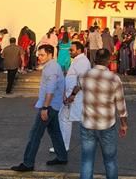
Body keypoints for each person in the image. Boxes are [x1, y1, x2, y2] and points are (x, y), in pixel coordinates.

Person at [11, 44, 67, 172]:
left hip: (49, 106)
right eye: (39, 55)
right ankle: (62, 156)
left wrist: (45, 108)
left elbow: (50, 90)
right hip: (54, 104)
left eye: (42, 55)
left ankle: (28, 163)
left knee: (35, 134)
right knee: (55, 132)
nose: (39, 57)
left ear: (50, 54)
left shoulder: (51, 68)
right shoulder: (54, 66)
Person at [73, 48, 128, 179]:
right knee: (110, 161)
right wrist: (124, 124)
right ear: (109, 61)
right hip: (107, 125)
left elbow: (78, 86)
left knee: (87, 160)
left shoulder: (85, 75)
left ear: (95, 60)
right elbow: (120, 104)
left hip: (87, 125)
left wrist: (72, 96)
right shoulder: (114, 78)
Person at [50, 41, 91, 153]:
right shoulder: (78, 61)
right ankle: (63, 145)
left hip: (75, 96)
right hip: (70, 95)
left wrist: (72, 95)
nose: (69, 51)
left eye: (71, 50)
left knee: (69, 119)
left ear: (79, 50)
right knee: (65, 119)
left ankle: (64, 145)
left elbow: (82, 80)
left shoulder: (82, 61)